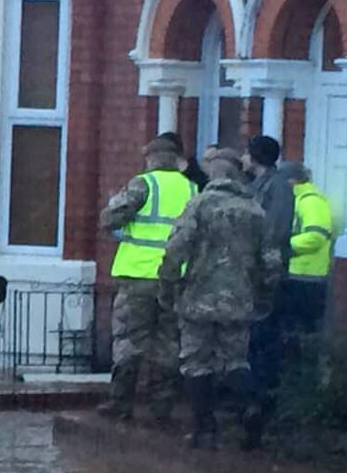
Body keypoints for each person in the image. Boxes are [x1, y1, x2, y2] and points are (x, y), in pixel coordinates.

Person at [158, 146, 283, 449]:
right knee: (235, 361)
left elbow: (176, 250)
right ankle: (249, 411)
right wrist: (264, 295)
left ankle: (205, 428)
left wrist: (168, 285)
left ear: (214, 173)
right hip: (239, 299)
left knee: (196, 363)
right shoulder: (255, 211)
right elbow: (271, 260)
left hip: (198, 298)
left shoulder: (199, 205)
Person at [98, 135, 197, 425]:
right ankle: (162, 407)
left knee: (129, 340)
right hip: (175, 278)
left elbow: (109, 219)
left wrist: (114, 206)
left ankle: (120, 403)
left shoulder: (144, 183)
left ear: (152, 158)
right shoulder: (192, 188)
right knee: (167, 342)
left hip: (139, 275)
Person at [243, 134, 296, 440]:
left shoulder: (277, 189)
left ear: (256, 157)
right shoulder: (257, 186)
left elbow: (273, 232)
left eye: (247, 154)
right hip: (253, 274)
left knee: (264, 337)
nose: (243, 159)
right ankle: (252, 398)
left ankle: (262, 401)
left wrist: (263, 264)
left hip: (268, 275)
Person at [279, 162, 334, 336]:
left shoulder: (311, 201)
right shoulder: (296, 200)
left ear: (292, 181)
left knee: (302, 331)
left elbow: (316, 236)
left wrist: (282, 245)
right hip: (294, 275)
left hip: (307, 277)